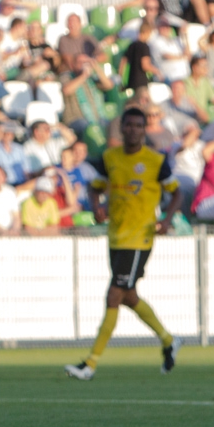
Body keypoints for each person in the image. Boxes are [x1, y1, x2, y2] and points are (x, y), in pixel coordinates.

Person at [64, 107, 184, 381]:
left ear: (144, 130)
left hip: (139, 238)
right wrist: (96, 206)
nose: (133, 130)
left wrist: (166, 220)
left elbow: (175, 193)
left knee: (114, 294)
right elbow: (95, 187)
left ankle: (90, 364)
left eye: (138, 126)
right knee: (128, 295)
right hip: (116, 235)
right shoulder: (109, 158)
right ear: (122, 129)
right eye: (128, 125)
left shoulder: (155, 161)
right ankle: (168, 340)